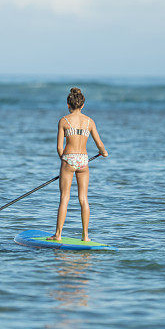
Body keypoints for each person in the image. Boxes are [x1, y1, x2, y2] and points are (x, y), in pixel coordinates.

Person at [49, 87, 108, 242]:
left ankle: (58, 234)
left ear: (68, 105)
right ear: (83, 105)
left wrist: (65, 161)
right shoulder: (90, 122)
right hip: (83, 160)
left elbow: (59, 148)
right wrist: (104, 152)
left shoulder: (63, 121)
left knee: (64, 198)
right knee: (83, 198)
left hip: (68, 159)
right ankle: (86, 236)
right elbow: (100, 144)